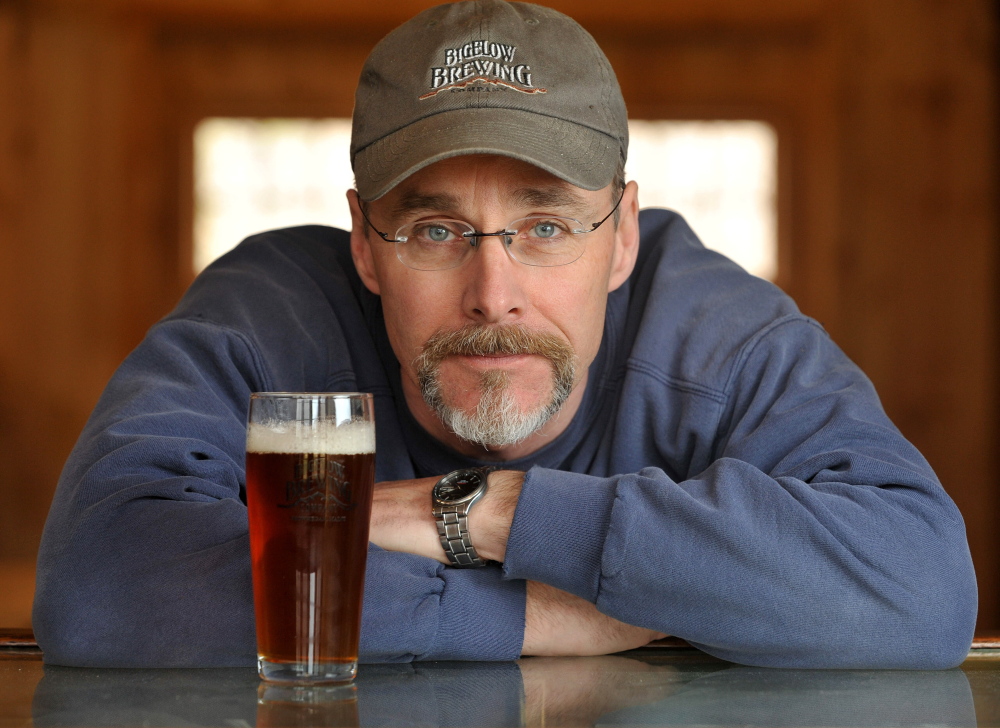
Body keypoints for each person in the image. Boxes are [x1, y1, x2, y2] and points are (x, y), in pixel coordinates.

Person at [34, 0, 976, 669]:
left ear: (623, 238)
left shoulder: (716, 340)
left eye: (548, 227)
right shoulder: (267, 318)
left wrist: (482, 513)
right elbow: (100, 586)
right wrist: (523, 612)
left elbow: (920, 596)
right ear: (365, 245)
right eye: (436, 230)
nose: (495, 293)